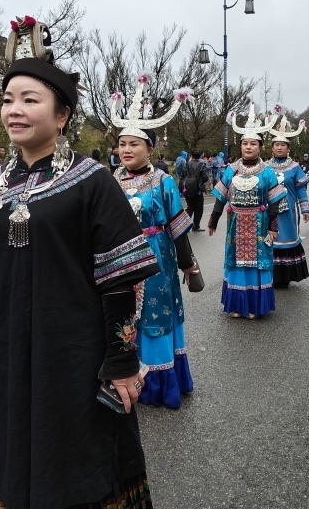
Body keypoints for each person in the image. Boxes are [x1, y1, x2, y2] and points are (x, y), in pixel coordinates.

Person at [0, 17, 161, 509]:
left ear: (62, 115)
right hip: (12, 358)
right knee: (18, 455)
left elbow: (120, 281)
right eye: (7, 99)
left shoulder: (92, 182)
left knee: (79, 460)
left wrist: (122, 360)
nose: (14, 110)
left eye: (30, 100)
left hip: (76, 360)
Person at [110, 77, 198, 409]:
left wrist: (187, 264)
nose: (127, 150)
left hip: (155, 262)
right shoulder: (110, 180)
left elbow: (177, 227)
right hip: (118, 261)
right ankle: (124, 376)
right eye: (122, 144)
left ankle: (158, 384)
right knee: (121, 315)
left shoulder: (163, 181)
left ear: (150, 148)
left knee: (154, 317)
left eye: (134, 144)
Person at [207, 104, 286, 319]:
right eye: (245, 143)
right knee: (235, 262)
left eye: (253, 143)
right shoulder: (231, 169)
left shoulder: (267, 171)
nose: (248, 147)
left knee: (257, 264)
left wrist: (273, 226)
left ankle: (254, 306)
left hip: (259, 225)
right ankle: (236, 305)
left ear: (260, 147)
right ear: (240, 146)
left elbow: (274, 201)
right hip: (236, 225)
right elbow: (221, 196)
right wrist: (213, 219)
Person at [266, 113, 309, 288]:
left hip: (289, 212)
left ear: (288, 148)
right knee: (269, 239)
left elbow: (301, 189)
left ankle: (286, 276)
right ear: (272, 147)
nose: (279, 148)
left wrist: (305, 209)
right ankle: (270, 274)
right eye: (276, 144)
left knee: (288, 238)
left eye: (283, 145)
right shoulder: (265, 167)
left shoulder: (295, 167)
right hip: (269, 211)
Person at [182, 149, 209, 231]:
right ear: (200, 156)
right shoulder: (201, 165)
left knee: (189, 207)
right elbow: (205, 177)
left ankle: (184, 226)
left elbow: (183, 175)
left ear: (191, 156)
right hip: (198, 190)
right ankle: (196, 226)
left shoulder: (186, 164)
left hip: (187, 189)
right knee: (198, 209)